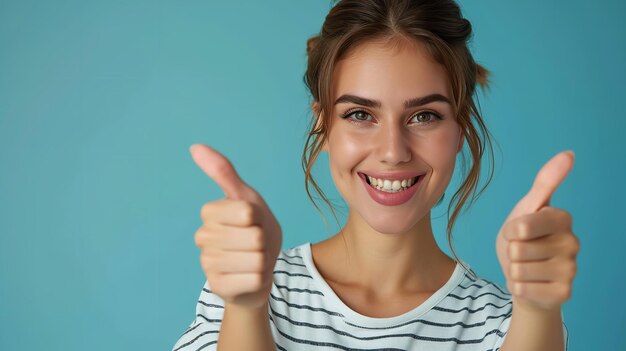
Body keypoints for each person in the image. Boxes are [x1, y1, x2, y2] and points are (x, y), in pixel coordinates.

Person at [173, 0, 579, 350]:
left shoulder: (513, 325)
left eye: (424, 116)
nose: (392, 152)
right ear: (323, 127)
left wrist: (537, 312)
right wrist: (246, 308)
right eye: (360, 114)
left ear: (460, 129)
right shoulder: (240, 289)